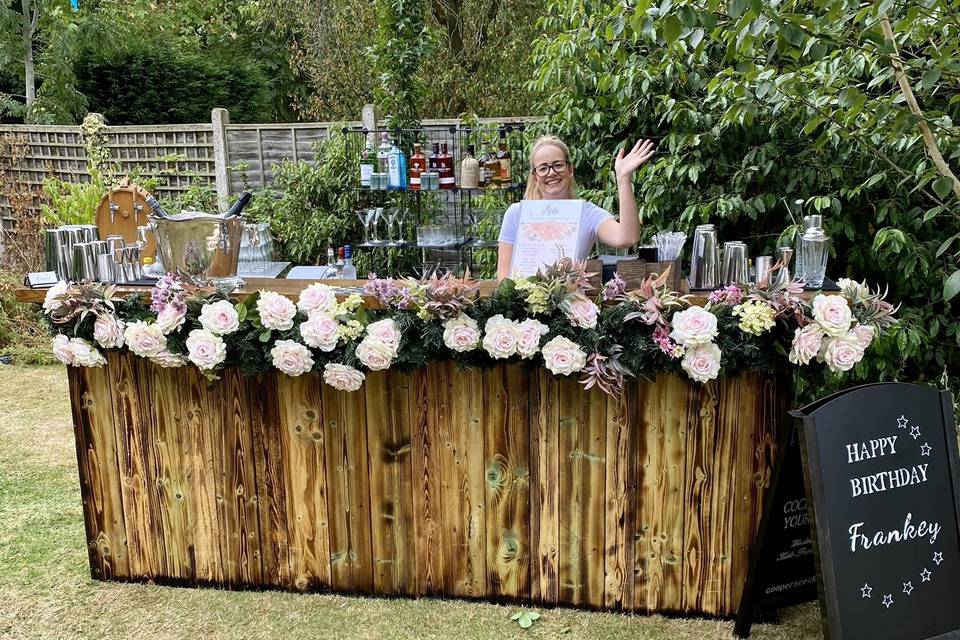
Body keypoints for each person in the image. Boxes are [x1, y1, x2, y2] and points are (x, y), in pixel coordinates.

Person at [496, 135, 656, 280]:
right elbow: (503, 277)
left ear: (570, 170)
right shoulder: (516, 214)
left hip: (571, 309)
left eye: (558, 165)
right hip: (521, 308)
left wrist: (623, 179)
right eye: (543, 168)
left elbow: (627, 238)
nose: (551, 173)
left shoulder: (587, 212)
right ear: (535, 177)